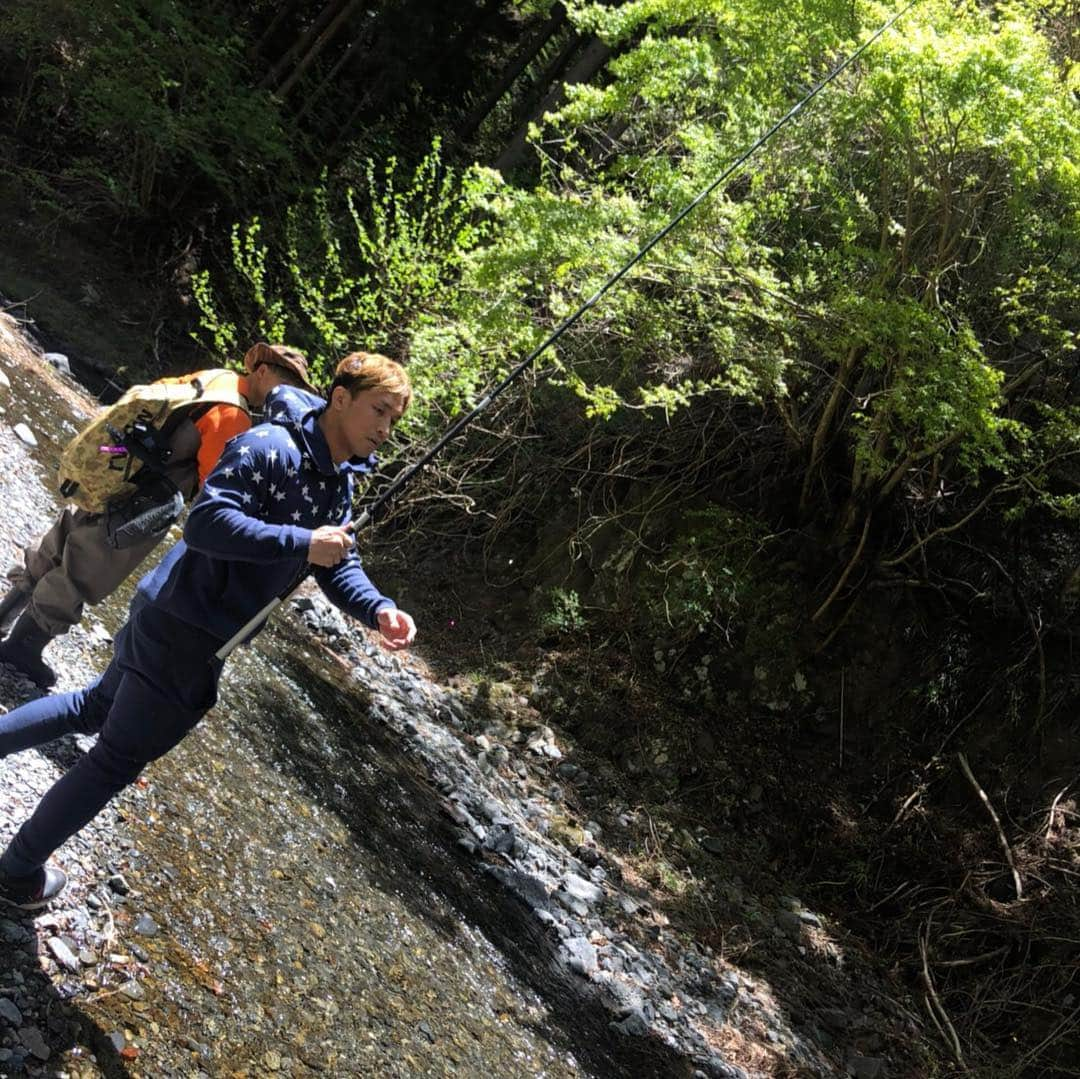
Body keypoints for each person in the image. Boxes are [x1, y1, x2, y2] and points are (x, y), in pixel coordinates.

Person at [0, 351, 417, 910]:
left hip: (177, 619)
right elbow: (205, 522)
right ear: (340, 398)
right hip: (185, 630)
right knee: (114, 761)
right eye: (380, 411)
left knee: (94, 707)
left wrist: (379, 609)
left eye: (395, 419)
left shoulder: (336, 482)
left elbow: (336, 560)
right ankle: (16, 870)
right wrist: (301, 542)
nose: (386, 429)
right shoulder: (271, 448)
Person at [0, 342, 316, 688]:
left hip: (116, 472)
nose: (284, 395)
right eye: (283, 384)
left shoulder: (218, 378)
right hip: (141, 503)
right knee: (85, 571)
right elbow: (217, 485)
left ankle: (6, 614)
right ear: (262, 371)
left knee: (60, 543)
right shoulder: (234, 416)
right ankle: (22, 648)